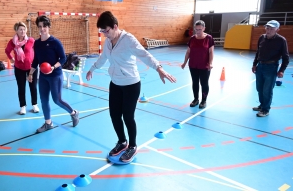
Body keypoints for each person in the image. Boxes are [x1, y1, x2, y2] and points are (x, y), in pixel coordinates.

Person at [86, 11, 176, 163]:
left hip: (131, 85)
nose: (104, 34)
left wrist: (159, 68)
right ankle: (122, 142)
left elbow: (144, 55)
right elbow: (103, 58)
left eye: (106, 30)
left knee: (127, 116)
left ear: (115, 26)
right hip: (115, 83)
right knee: (114, 115)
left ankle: (132, 146)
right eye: (102, 31)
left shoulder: (128, 40)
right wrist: (92, 68)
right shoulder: (108, 41)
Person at [28, 15, 79, 133]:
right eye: (40, 26)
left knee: (57, 100)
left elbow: (63, 58)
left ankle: (73, 113)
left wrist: (53, 67)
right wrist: (31, 73)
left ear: (48, 26)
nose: (42, 29)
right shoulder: (37, 43)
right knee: (44, 100)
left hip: (55, 75)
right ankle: (48, 123)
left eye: (44, 26)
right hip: (43, 76)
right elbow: (36, 59)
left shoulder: (55, 42)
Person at [252, 20, 289, 117]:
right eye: (267, 28)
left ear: (277, 30)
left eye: (272, 29)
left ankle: (265, 110)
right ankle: (262, 105)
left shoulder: (281, 40)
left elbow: (286, 57)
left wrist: (282, 70)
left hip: (271, 67)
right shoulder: (262, 38)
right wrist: (255, 64)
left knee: (267, 90)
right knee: (259, 88)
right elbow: (258, 52)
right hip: (260, 66)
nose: (268, 30)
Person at [5, 22, 40, 115]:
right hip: (19, 68)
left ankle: (35, 105)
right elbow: (7, 51)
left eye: (24, 29)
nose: (23, 31)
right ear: (16, 30)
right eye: (20, 29)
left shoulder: (31, 40)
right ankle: (23, 106)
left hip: (31, 68)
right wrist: (12, 59)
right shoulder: (12, 42)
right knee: (21, 88)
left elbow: (37, 52)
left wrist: (35, 63)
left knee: (33, 87)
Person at [181, 20, 214, 109]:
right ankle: (196, 99)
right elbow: (188, 52)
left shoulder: (209, 38)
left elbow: (211, 52)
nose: (198, 31)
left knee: (204, 83)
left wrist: (210, 63)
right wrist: (184, 62)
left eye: (200, 29)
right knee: (195, 82)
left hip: (204, 65)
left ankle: (204, 100)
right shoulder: (192, 38)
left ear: (204, 28)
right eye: (196, 29)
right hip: (193, 65)